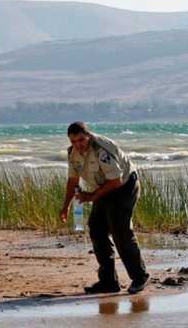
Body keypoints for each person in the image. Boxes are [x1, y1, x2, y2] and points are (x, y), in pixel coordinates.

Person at [60, 121, 149, 294]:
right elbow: (72, 181)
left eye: (81, 140)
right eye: (73, 142)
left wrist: (91, 197)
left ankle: (140, 277)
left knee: (120, 230)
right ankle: (109, 282)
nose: (78, 145)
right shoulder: (73, 154)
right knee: (96, 229)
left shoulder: (101, 150)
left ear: (88, 136)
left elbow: (115, 181)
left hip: (124, 186)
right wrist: (66, 206)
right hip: (103, 188)